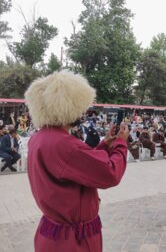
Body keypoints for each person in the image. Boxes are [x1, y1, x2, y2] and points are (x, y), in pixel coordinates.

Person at [24, 70, 129, 252]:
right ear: (67, 108)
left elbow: (77, 167)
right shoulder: (64, 144)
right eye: (80, 107)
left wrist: (105, 144)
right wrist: (121, 143)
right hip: (73, 240)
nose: (83, 112)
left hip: (53, 233)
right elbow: (109, 173)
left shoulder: (40, 137)